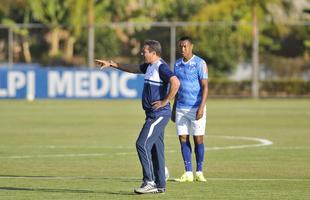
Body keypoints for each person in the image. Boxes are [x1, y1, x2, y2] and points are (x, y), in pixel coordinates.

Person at [96, 40, 180, 194]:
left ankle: (149, 181)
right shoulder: (150, 66)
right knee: (156, 150)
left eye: (145, 51)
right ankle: (160, 185)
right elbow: (134, 68)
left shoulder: (161, 66)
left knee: (142, 144)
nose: (142, 53)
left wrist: (165, 101)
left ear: (154, 53)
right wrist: (112, 64)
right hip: (153, 114)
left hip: (158, 114)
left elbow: (175, 82)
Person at [172, 36, 208, 182]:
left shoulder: (200, 63)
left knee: (198, 139)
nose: (182, 49)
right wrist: (174, 109)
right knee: (182, 138)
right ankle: (188, 172)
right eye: (180, 46)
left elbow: (205, 86)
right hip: (181, 107)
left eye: (185, 46)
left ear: (191, 46)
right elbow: (176, 87)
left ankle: (199, 171)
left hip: (196, 107)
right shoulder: (177, 65)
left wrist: (201, 107)